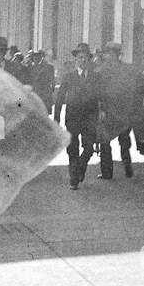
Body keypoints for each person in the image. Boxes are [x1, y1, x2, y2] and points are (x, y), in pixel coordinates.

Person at [53, 42, 101, 190]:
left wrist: (103, 111)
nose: (83, 60)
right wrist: (57, 118)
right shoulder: (69, 77)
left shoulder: (95, 77)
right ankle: (74, 179)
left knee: (88, 148)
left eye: (86, 57)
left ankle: (81, 166)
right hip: (72, 117)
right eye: (80, 57)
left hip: (90, 117)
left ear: (89, 59)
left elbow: (101, 95)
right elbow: (60, 98)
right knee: (72, 149)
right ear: (76, 59)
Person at [94, 43, 142, 179]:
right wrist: (132, 98)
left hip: (107, 111)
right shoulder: (129, 69)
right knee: (124, 141)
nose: (105, 55)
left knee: (105, 142)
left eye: (107, 53)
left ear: (111, 54)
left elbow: (95, 92)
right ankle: (127, 167)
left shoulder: (101, 71)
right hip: (125, 111)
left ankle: (107, 172)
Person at [25, 49, 56, 113]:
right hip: (34, 94)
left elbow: (52, 81)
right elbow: (27, 81)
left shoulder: (49, 67)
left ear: (41, 57)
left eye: (38, 56)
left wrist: (49, 92)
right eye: (34, 56)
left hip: (44, 94)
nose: (36, 58)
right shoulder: (30, 68)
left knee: (44, 114)